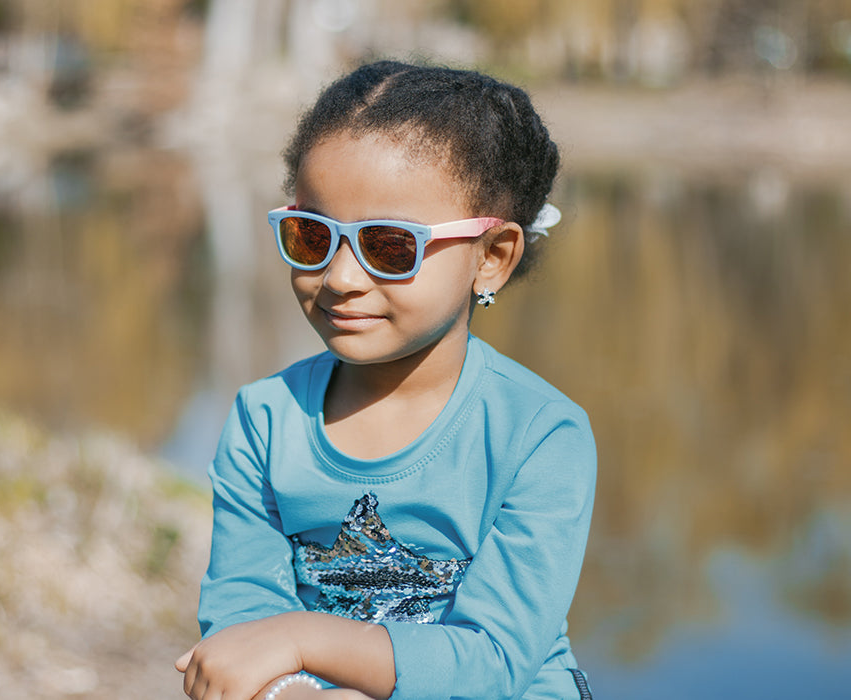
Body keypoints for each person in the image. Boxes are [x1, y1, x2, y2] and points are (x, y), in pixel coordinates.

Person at [175, 60, 596, 700]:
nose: (341, 276)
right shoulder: (265, 420)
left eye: (390, 246)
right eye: (312, 235)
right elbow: (242, 620)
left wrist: (301, 640)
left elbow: (492, 660)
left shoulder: (539, 435)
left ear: (492, 258)